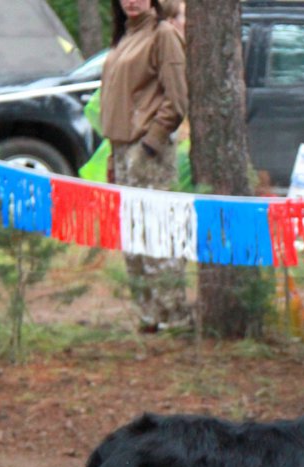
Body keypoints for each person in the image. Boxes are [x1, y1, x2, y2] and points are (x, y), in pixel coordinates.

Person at [102, 0, 191, 332]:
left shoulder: (163, 33)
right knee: (133, 235)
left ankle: (175, 316)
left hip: (149, 150)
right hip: (122, 148)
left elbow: (177, 97)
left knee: (158, 232)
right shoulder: (126, 35)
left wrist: (151, 142)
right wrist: (115, 153)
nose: (131, 0)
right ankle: (149, 314)